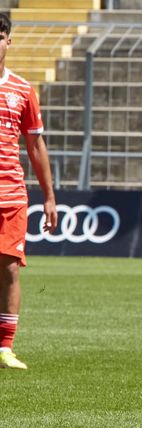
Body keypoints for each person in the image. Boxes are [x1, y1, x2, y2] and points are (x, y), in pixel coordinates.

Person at [0, 13, 58, 370]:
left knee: (9, 269)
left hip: (11, 195)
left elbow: (36, 146)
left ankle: (4, 348)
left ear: (7, 40)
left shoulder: (22, 89)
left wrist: (49, 197)